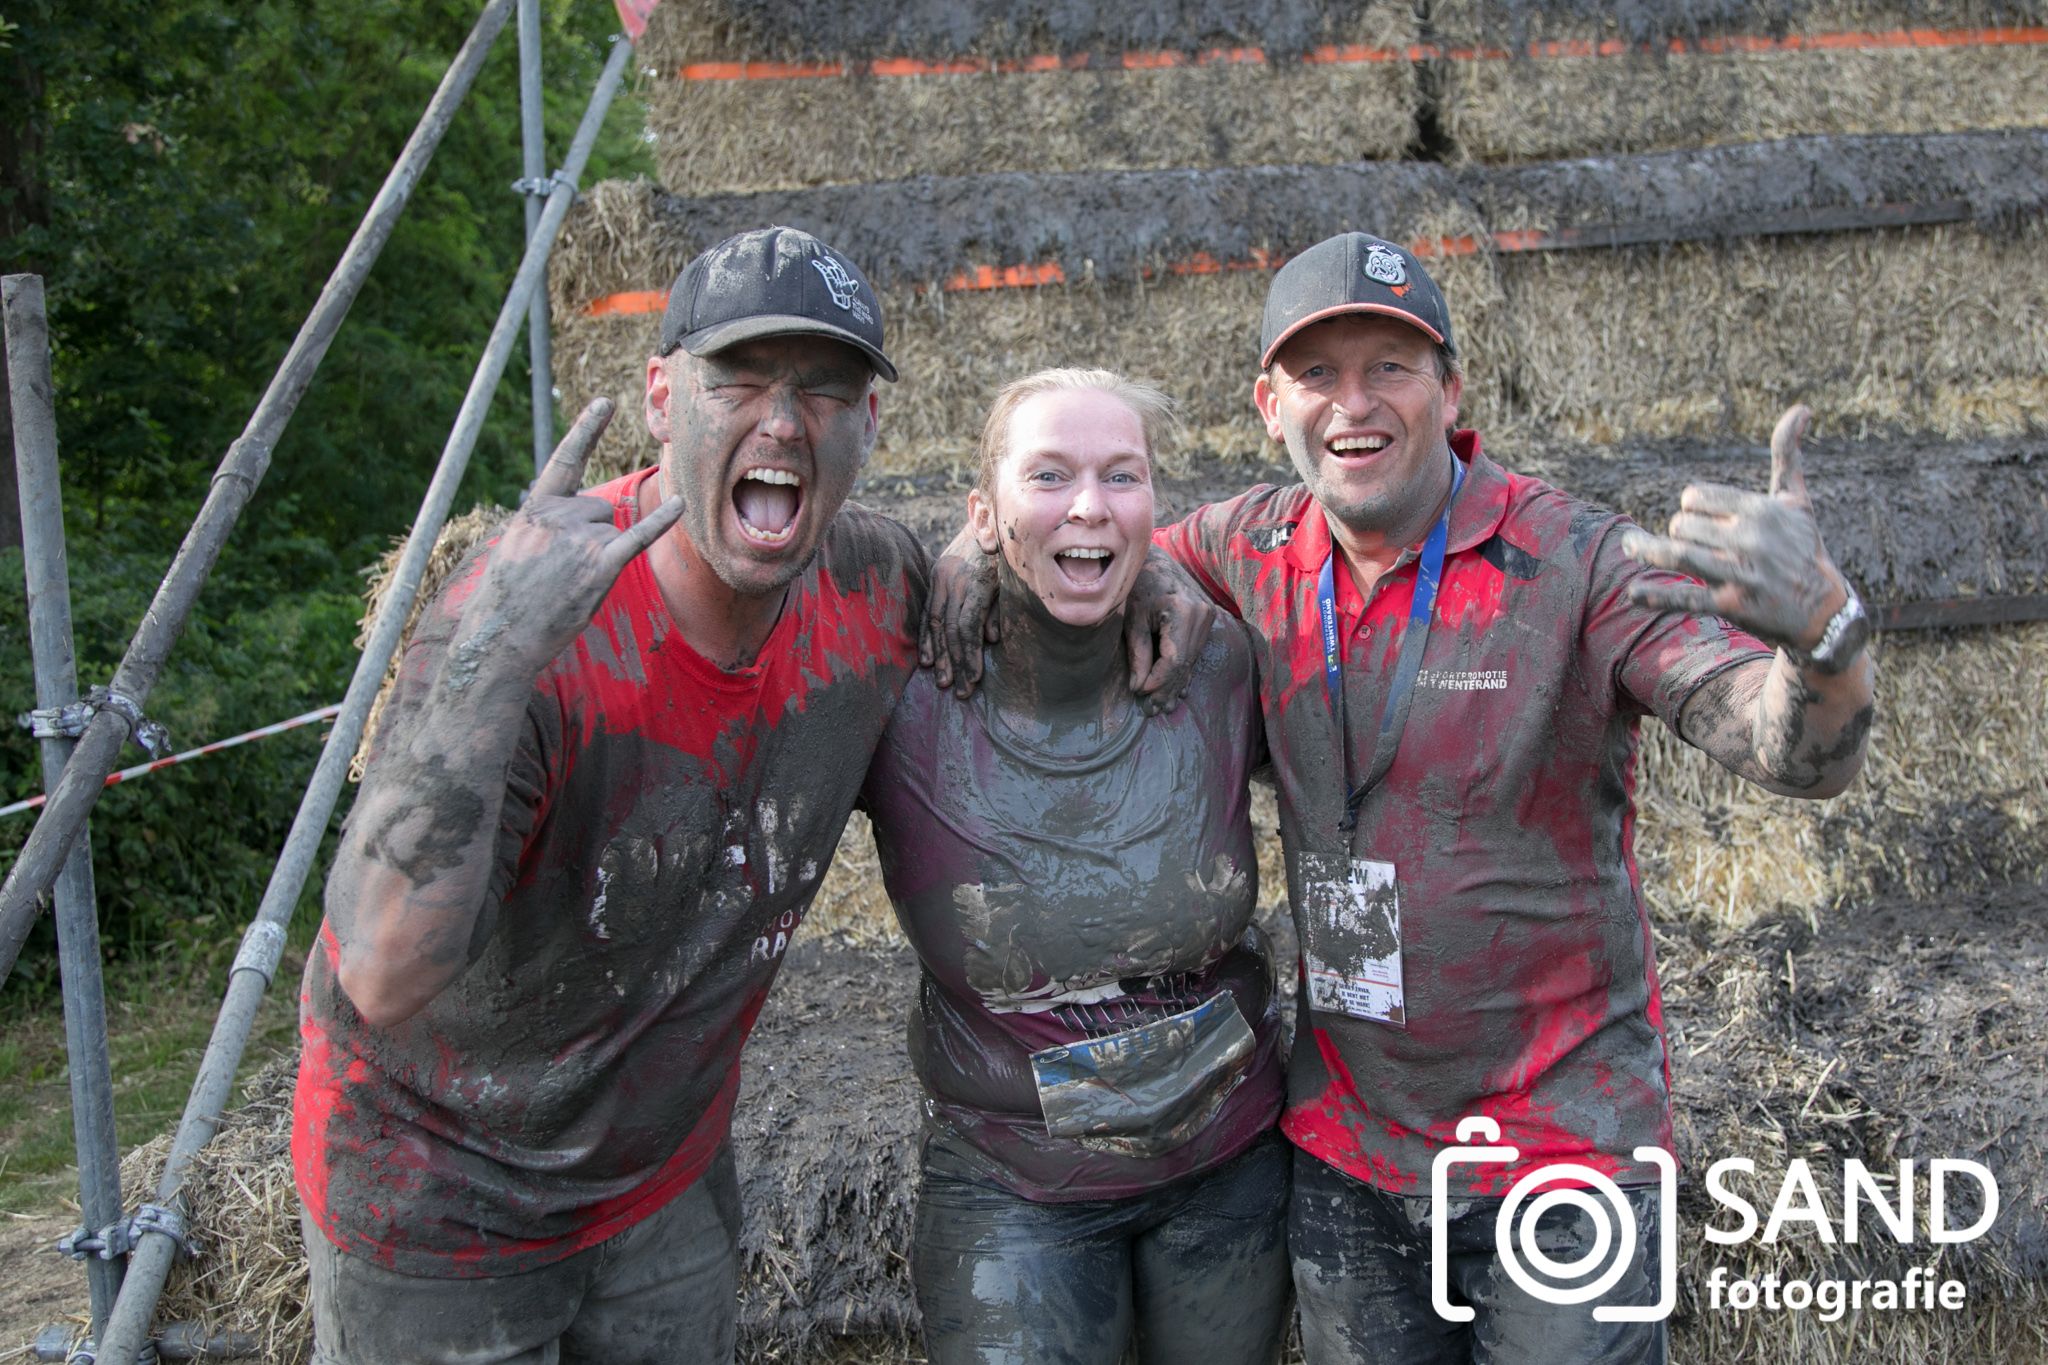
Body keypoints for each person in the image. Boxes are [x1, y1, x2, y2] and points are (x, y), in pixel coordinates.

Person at [927, 233, 1875, 1364]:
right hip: (1345, 1159)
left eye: (1390, 366)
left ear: (1451, 388)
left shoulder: (1575, 561)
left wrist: (1824, 636)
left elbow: (1790, 757)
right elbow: (1092, 541)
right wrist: (962, 553)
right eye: (1318, 375)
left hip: (1555, 1154)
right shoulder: (1250, 543)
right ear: (1267, 401)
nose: (1352, 404)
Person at [293, 224, 1211, 1365]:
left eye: (824, 391)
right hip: (439, 1199)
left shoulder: (872, 583)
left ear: (868, 428)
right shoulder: (523, 626)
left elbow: (1039, 546)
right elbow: (380, 972)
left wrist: (1151, 562)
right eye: (737, 381)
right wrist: (495, 657)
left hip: (660, 1186)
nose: (781, 422)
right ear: (659, 398)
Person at [863, 369, 1290, 1365]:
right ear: (983, 510)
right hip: (1015, 1185)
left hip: (1229, 1167)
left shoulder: (1217, 662)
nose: (1089, 506)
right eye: (1047, 476)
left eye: (1120, 477)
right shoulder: (903, 694)